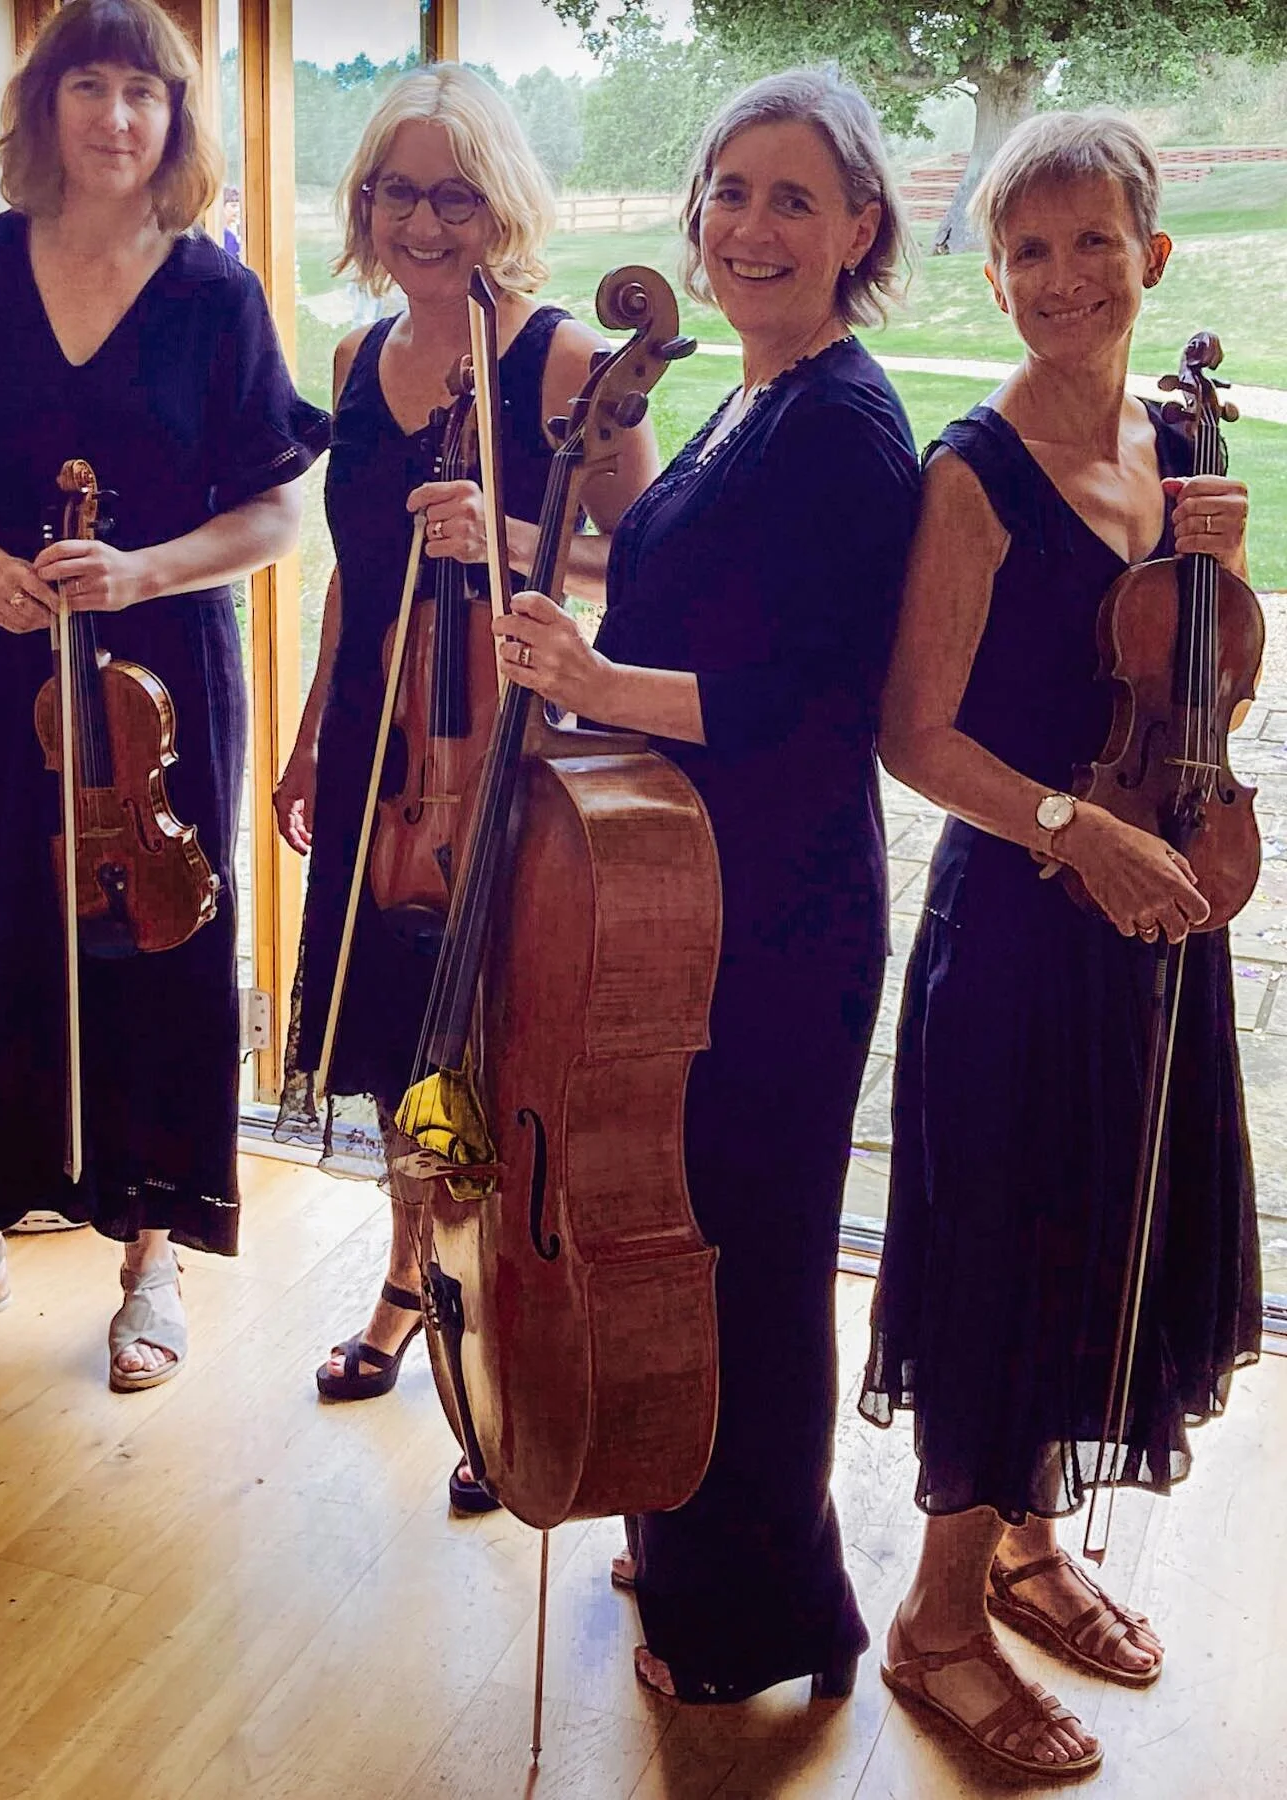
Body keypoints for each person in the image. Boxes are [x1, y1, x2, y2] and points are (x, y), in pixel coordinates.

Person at [492, 68, 919, 1702]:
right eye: (730, 192)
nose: (751, 227)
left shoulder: (844, 427)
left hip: (783, 908)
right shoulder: (750, 395)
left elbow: (814, 706)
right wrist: (559, 604)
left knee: (749, 1244)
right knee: (689, 1233)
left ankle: (766, 1620)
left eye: (795, 198)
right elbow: (691, 605)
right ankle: (689, 1527)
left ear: (860, 227)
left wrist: (597, 684)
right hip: (690, 895)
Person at [859, 111, 1260, 1778]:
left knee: (1109, 1240)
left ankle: (1027, 1553)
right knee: (1001, 1264)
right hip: (1019, 937)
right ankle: (937, 1622)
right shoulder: (973, 472)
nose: (1063, 277)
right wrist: (1064, 829)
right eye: (1028, 249)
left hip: (1153, 915)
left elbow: (1193, 683)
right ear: (997, 274)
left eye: (1095, 241)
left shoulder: (1175, 447)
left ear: (1152, 258)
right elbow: (911, 735)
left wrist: (1208, 564)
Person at [0, 0, 329, 1390]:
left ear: (175, 120)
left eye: (146, 94)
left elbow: (273, 519)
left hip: (160, 671)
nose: (119, 119)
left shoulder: (213, 294)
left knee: (160, 953)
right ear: (46, 109)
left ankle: (152, 1253)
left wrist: (142, 571)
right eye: (91, 89)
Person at [270, 65, 657, 1509]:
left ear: (502, 203)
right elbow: (356, 580)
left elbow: (649, 560)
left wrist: (506, 531)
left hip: (502, 757)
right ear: (363, 206)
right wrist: (317, 728)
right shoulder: (361, 359)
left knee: (496, 1046)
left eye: (454, 191)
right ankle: (406, 1284)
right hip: (385, 755)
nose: (423, 221)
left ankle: (501, 1332)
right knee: (397, 1049)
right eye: (395, 191)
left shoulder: (559, 363)